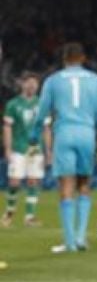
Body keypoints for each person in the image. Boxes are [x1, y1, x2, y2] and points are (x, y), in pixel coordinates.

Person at [35, 42, 97, 253]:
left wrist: (34, 139)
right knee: (84, 183)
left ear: (64, 59)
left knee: (66, 185)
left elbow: (42, 112)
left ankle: (69, 241)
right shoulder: (96, 81)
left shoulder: (53, 81)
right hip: (87, 134)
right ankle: (81, 237)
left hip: (64, 133)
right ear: (83, 58)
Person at [3, 73, 45, 228]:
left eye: (35, 83)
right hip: (18, 148)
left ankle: (29, 216)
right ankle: (9, 213)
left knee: (33, 181)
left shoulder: (42, 104)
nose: (32, 86)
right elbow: (7, 128)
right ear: (22, 84)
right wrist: (7, 148)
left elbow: (46, 128)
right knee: (14, 182)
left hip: (36, 149)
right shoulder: (13, 104)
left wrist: (49, 150)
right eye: (29, 83)